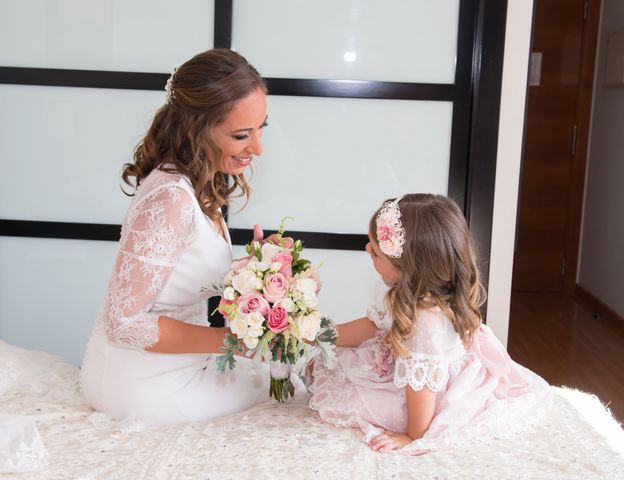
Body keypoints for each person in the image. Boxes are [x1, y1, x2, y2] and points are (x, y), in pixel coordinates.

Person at [81, 48, 273, 426]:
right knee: (275, 380)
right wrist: (230, 343)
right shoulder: (171, 198)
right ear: (194, 129)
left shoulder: (196, 178)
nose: (257, 147)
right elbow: (124, 322)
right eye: (240, 135)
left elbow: (180, 270)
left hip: (175, 364)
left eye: (261, 128)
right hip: (143, 385)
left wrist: (254, 273)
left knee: (276, 371)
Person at [308, 194, 551, 454]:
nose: (367, 250)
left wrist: (413, 435)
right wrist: (319, 334)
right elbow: (374, 325)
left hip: (428, 390)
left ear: (407, 268)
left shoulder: (425, 319)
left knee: (350, 397)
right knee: (323, 365)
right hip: (411, 365)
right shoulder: (397, 287)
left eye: (376, 252)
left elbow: (421, 381)